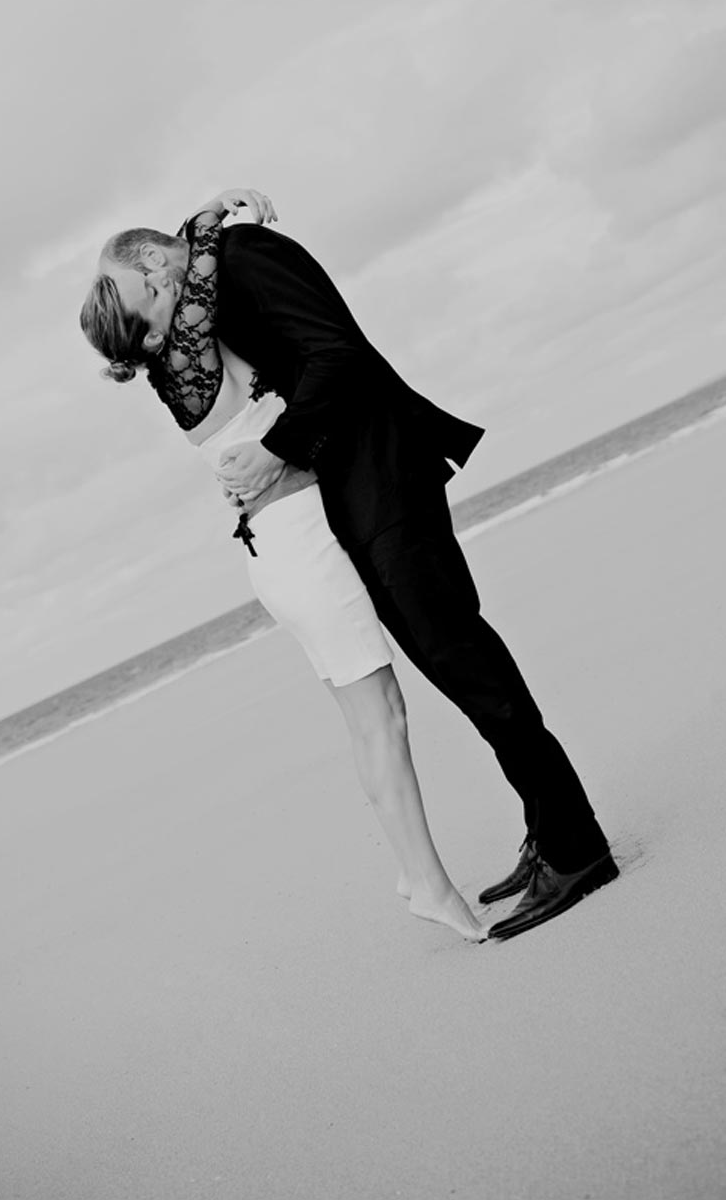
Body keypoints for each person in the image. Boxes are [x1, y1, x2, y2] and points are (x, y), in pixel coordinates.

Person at [86, 188, 619, 942]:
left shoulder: (249, 257)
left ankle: (577, 847)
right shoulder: (200, 288)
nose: (162, 316)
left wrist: (273, 448)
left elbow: (338, 354)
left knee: (466, 662)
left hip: (383, 478)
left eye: (152, 297)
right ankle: (549, 828)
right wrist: (202, 219)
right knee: (457, 668)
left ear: (151, 262)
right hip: (351, 499)